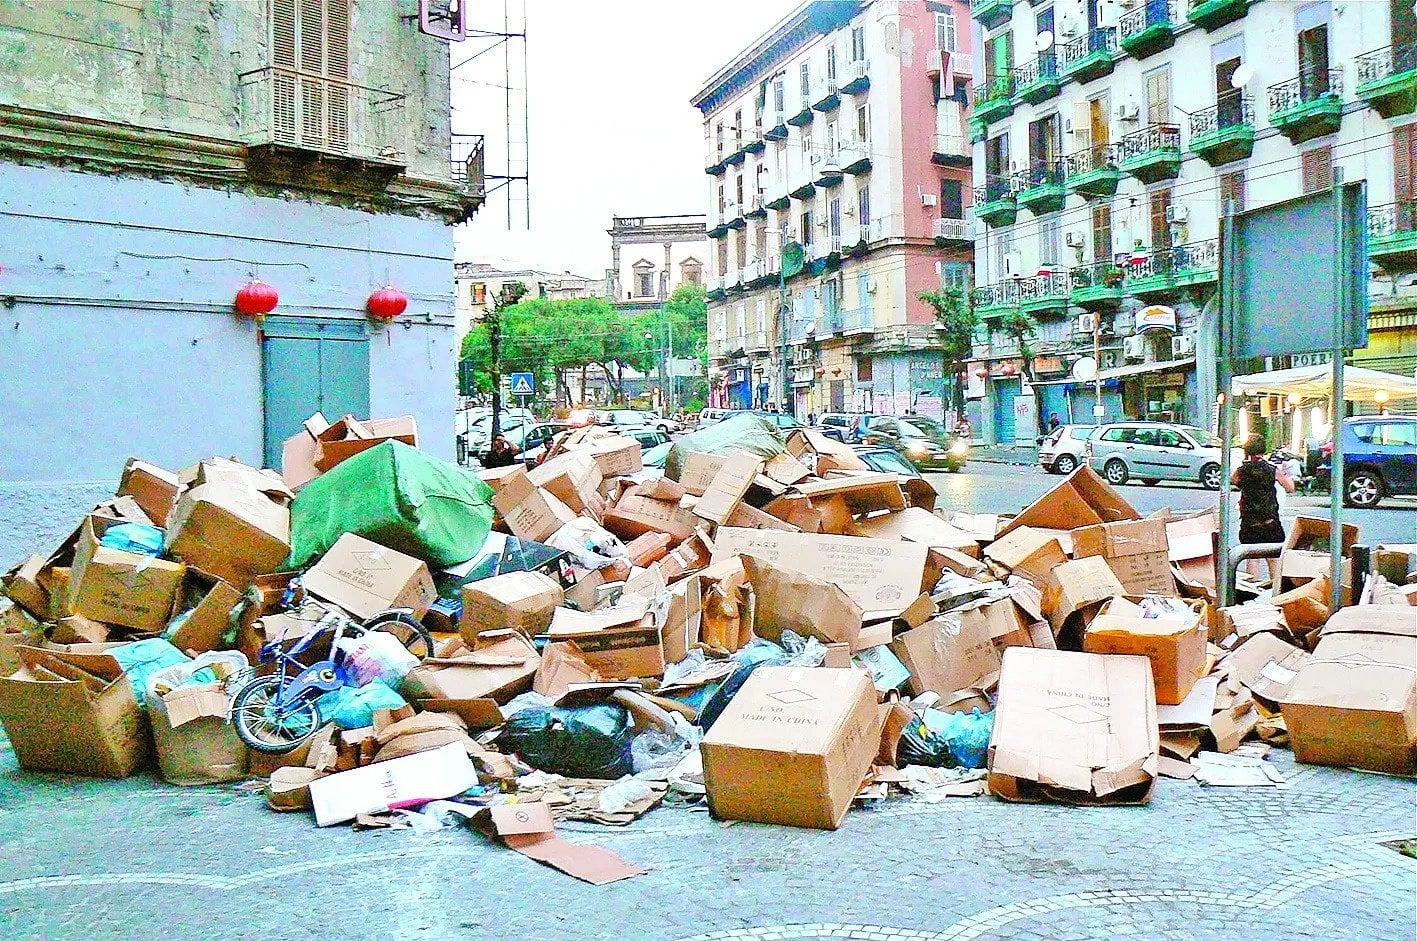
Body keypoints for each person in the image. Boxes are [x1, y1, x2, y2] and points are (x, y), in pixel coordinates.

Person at [1232, 433, 1294, 584]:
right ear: (1263, 450)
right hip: (1270, 521)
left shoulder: (1241, 471)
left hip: (1249, 522)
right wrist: (1287, 475)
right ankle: (1275, 590)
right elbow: (1290, 488)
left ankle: (1252, 590)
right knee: (1273, 558)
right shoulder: (1272, 470)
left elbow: (1234, 481)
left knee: (1252, 559)